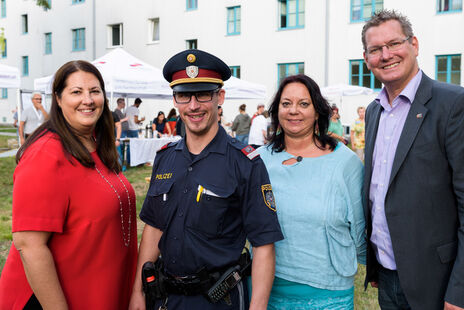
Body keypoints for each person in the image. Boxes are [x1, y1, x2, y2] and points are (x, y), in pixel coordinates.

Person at [129, 49, 283, 310]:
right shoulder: (165, 159)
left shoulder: (245, 163)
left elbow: (264, 245)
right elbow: (155, 228)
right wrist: (138, 292)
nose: (193, 105)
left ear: (219, 97)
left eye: (202, 94)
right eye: (184, 95)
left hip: (217, 300)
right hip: (165, 298)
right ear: (175, 99)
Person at [0, 60, 137, 309]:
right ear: (58, 99)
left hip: (98, 289)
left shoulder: (96, 144)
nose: (88, 99)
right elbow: (30, 246)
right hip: (55, 300)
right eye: (76, 92)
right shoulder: (46, 154)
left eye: (95, 91)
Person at [362, 10, 464, 310]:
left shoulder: (453, 104)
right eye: (375, 49)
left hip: (437, 281)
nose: (386, 55)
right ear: (366, 58)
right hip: (388, 276)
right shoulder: (373, 111)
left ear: (414, 44)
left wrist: (458, 294)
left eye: (394, 43)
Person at [258, 74, 365, 309]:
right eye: (286, 104)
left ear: (318, 111)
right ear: (277, 111)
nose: (293, 111)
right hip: (267, 290)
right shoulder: (258, 161)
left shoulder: (345, 163)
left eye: (304, 104)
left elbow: (361, 227)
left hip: (329, 294)